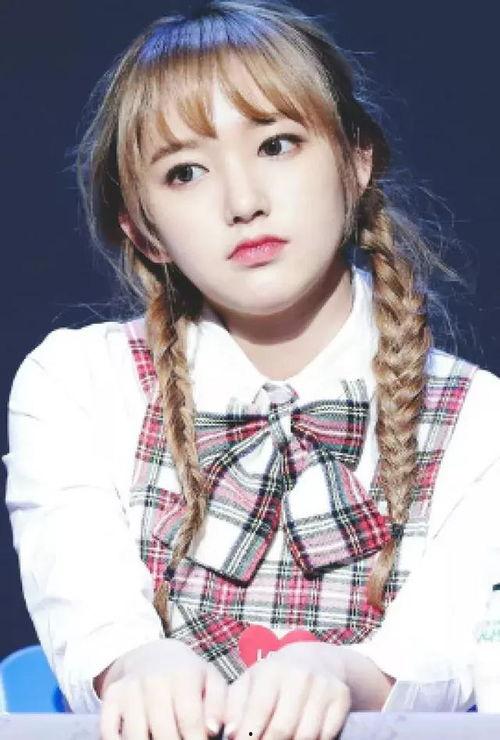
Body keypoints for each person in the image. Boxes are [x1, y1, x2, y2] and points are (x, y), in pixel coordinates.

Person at [3, 1, 500, 738]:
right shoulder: (78, 385)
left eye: (277, 144)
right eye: (185, 172)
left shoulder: (479, 419)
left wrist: (343, 676)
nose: (243, 202)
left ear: (356, 160)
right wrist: (137, 664)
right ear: (143, 228)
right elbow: (84, 610)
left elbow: (453, 652)